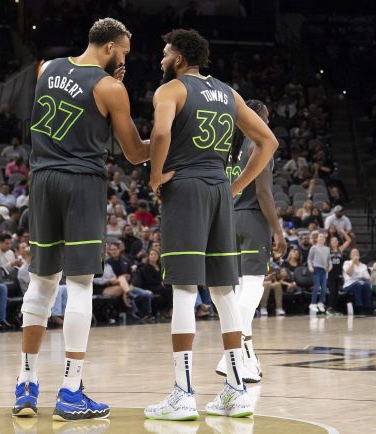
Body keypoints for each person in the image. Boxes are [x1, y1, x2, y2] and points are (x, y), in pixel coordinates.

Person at [14, 18, 150, 421]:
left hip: (42, 179)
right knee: (79, 285)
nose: (124, 59)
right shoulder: (110, 88)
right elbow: (134, 153)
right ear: (109, 47)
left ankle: (25, 384)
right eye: (123, 52)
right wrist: (168, 138)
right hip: (82, 183)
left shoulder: (45, 68)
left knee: (41, 283)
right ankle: (71, 391)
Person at [145, 29, 278, 421]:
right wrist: (235, 186)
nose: (161, 59)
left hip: (185, 188)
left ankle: (183, 394)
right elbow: (268, 142)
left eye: (165, 53)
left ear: (179, 58)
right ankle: (236, 391)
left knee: (185, 290)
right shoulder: (228, 93)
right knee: (224, 292)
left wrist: (155, 177)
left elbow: (161, 133)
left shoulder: (170, 90)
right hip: (220, 191)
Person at [214, 99, 286, 384]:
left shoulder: (227, 146)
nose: (267, 123)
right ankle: (230, 354)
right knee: (254, 288)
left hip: (227, 221)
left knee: (239, 291)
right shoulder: (259, 144)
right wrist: (278, 231)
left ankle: (247, 359)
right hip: (252, 219)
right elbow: (263, 192)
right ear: (255, 118)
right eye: (265, 117)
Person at [325, 232, 351, 316]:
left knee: (336, 292)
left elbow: (349, 240)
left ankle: (333, 309)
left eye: (336, 240)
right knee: (332, 291)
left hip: (338, 274)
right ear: (330, 242)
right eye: (332, 240)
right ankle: (329, 308)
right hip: (330, 274)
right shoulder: (327, 250)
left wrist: (343, 232)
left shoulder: (340, 249)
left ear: (338, 242)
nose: (334, 242)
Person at [343, 248, 373, 314]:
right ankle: (359, 306)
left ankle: (367, 306)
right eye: (353, 253)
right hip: (349, 284)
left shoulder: (363, 265)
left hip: (361, 282)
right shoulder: (347, 263)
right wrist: (353, 263)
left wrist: (361, 277)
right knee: (358, 284)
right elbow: (349, 273)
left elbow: (368, 277)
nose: (356, 254)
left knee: (367, 284)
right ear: (350, 256)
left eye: (357, 252)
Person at [307, 233, 331, 313]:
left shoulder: (327, 249)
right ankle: (313, 303)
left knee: (324, 288)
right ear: (316, 239)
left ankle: (321, 302)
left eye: (323, 237)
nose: (321, 238)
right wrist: (310, 266)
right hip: (316, 269)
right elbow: (309, 259)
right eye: (320, 237)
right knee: (316, 286)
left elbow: (329, 260)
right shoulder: (313, 248)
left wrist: (330, 266)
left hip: (324, 270)